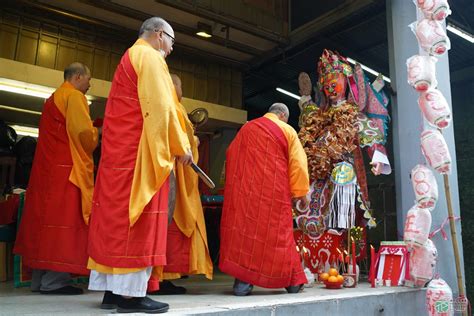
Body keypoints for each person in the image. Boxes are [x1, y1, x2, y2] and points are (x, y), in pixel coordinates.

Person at [87, 17, 192, 314]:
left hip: (119, 155)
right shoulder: (150, 57)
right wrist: (180, 146)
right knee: (138, 219)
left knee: (115, 219)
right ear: (159, 35)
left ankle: (112, 291)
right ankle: (131, 296)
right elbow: (161, 107)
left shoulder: (130, 56)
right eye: (172, 41)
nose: (171, 48)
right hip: (139, 155)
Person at [295, 49, 391, 271]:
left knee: (342, 183)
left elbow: (369, 134)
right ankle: (311, 260)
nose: (330, 87)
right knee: (305, 194)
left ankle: (342, 259)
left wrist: (377, 157)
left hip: (343, 166)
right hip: (319, 169)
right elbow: (308, 124)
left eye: (334, 81)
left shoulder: (353, 113)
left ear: (347, 82)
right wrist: (307, 99)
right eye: (326, 82)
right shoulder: (321, 113)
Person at [14, 62, 98, 295]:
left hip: (46, 173)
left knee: (44, 225)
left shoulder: (52, 99)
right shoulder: (74, 97)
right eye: (89, 79)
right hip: (67, 170)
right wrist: (96, 134)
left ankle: (39, 281)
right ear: (78, 77)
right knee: (64, 224)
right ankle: (54, 282)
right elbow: (82, 134)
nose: (90, 84)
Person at [219, 103, 310, 296]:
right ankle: (291, 283)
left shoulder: (246, 128)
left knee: (247, 239)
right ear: (283, 115)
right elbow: (298, 165)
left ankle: (242, 285)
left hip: (247, 195)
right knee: (278, 238)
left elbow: (231, 154)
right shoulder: (286, 130)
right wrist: (300, 193)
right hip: (274, 196)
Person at [147, 74, 213, 295]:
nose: (182, 90)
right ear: (173, 85)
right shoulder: (174, 107)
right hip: (173, 175)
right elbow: (181, 143)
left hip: (166, 173)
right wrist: (194, 141)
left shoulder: (164, 106)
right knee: (170, 226)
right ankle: (161, 278)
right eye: (181, 85)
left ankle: (161, 277)